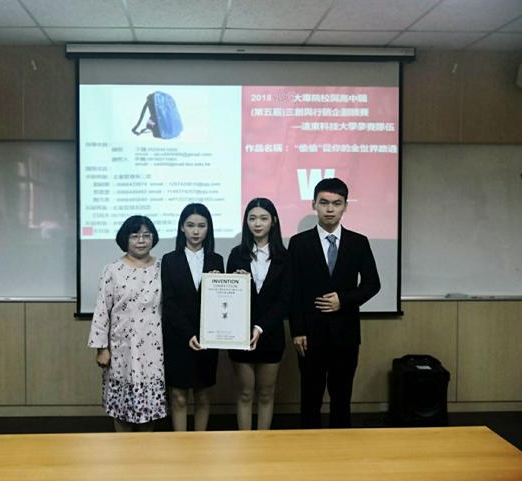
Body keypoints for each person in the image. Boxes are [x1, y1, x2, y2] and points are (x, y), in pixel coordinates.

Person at [288, 178, 380, 428]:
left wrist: (344, 300)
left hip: (345, 333)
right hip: (309, 335)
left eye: (336, 203)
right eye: (324, 203)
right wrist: (297, 330)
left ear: (345, 206)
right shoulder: (299, 243)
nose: (330, 209)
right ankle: (309, 446)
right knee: (310, 399)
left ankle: (342, 448)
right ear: (314, 205)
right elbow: (293, 291)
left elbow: (372, 284)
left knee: (342, 398)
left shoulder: (359, 242)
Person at [88, 215, 166, 432]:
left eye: (146, 235)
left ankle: (145, 448)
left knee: (150, 406)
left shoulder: (163, 267)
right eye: (135, 236)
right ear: (125, 238)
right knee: (120, 407)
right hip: (121, 347)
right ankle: (122, 447)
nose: (141, 240)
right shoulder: (112, 270)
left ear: (153, 238)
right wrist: (101, 349)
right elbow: (102, 310)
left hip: (154, 349)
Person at [227, 198, 290, 430]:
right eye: (252, 218)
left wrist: (260, 327)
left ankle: (263, 442)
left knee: (266, 393)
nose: (257, 223)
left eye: (263, 218)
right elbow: (228, 298)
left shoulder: (285, 257)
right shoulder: (236, 254)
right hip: (240, 334)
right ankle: (244, 442)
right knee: (245, 393)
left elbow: (285, 300)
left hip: (270, 334)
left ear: (273, 221)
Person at [161, 203, 224, 431]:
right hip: (178, 337)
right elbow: (169, 303)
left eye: (201, 226)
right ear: (181, 228)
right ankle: (180, 444)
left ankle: (201, 444)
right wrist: (188, 334)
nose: (196, 231)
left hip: (208, 336)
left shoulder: (217, 259)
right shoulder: (169, 259)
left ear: (208, 228)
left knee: (203, 395)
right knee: (178, 397)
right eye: (190, 225)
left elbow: (222, 301)